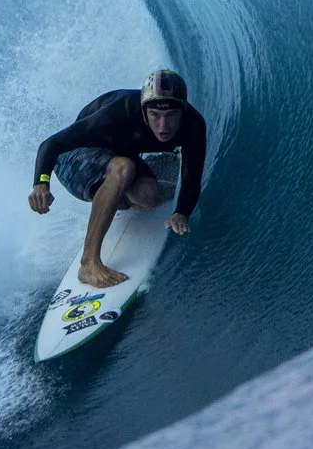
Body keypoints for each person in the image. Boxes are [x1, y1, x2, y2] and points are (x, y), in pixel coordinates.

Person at [29, 68, 207, 289]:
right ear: (144, 111)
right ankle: (89, 263)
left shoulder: (193, 124)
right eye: (155, 116)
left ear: (183, 111)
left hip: (117, 155)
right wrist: (41, 183)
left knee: (148, 196)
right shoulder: (117, 112)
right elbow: (51, 145)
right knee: (123, 167)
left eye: (171, 116)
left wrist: (182, 212)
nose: (163, 126)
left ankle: (115, 194)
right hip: (73, 158)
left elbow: (192, 176)